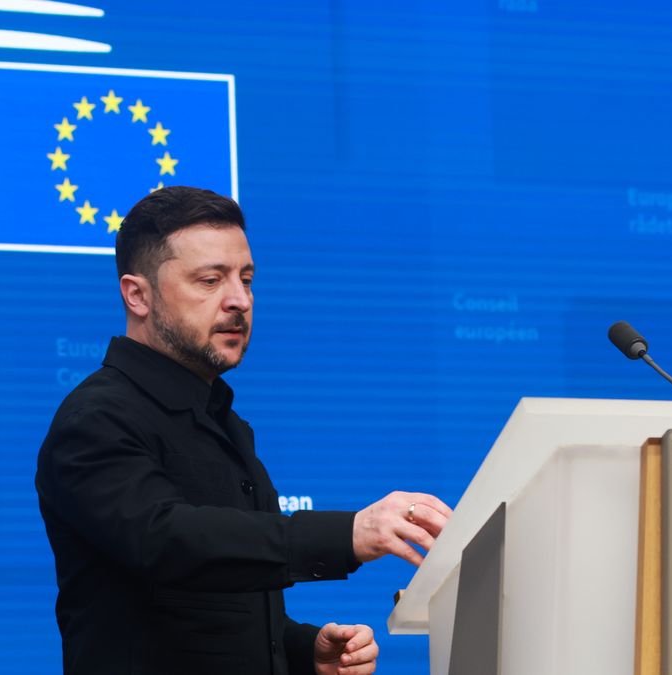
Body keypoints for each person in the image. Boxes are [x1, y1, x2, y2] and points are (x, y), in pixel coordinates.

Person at [35, 186, 452, 674]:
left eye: (246, 279)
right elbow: (171, 544)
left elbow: (210, 608)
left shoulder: (224, 422)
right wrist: (350, 533)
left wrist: (302, 649)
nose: (239, 300)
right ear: (137, 295)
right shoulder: (95, 420)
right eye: (210, 280)